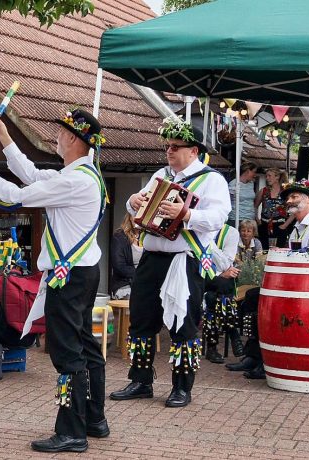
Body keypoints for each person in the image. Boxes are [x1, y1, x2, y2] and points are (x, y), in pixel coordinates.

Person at [0, 109, 109, 453]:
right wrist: (5, 139)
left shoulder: (74, 180)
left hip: (70, 278)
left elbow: (16, 196)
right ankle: (94, 419)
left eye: (62, 132)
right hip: (83, 272)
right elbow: (35, 176)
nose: (57, 136)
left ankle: (72, 431)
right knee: (84, 346)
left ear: (72, 139)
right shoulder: (82, 175)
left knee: (68, 353)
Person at [109, 119, 230, 408]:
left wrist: (186, 214)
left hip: (184, 260)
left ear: (194, 151)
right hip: (152, 257)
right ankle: (140, 381)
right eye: (167, 146)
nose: (169, 151)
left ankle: (182, 388)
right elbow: (135, 208)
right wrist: (134, 201)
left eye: (176, 147)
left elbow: (219, 218)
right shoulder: (161, 174)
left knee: (183, 323)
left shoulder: (211, 179)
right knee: (140, 319)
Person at [229, 179, 309, 379]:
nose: (289, 201)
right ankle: (254, 355)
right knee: (252, 297)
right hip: (294, 286)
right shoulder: (298, 227)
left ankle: (265, 360)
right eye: (288, 198)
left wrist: (285, 254)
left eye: (294, 197)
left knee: (263, 301)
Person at [201, 223, 241, 365]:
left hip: (217, 283)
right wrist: (221, 274)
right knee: (223, 284)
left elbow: (226, 263)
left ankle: (212, 348)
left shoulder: (231, 233)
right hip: (200, 278)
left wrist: (208, 242)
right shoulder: (196, 228)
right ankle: (233, 332)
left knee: (212, 297)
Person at [255, 168, 291, 249]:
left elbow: (295, 209)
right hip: (264, 225)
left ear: (277, 177)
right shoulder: (264, 191)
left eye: (269, 176)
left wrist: (285, 225)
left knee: (279, 250)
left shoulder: (285, 192)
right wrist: (257, 220)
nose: (267, 178)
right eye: (266, 176)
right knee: (264, 250)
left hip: (280, 225)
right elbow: (255, 206)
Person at [110, 215, 142, 300]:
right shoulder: (119, 236)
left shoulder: (148, 236)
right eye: (134, 214)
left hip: (146, 281)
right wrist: (142, 274)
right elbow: (119, 266)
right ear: (129, 217)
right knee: (135, 299)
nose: (137, 217)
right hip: (125, 283)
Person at [227, 161, 258, 225]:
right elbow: (227, 200)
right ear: (247, 171)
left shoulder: (251, 184)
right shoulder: (234, 184)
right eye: (254, 172)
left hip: (250, 219)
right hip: (236, 218)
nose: (255, 175)